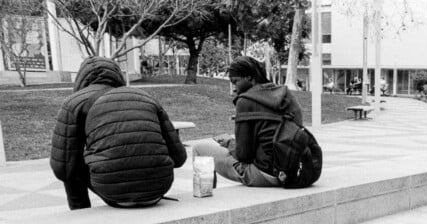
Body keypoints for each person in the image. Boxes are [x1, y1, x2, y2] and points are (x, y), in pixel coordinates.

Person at [50, 56, 187, 209]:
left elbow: (61, 170)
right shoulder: (145, 98)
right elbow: (179, 158)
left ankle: (81, 214)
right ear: (117, 74)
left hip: (113, 193)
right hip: (157, 189)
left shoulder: (74, 103)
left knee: (68, 162)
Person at [192, 56, 304, 187]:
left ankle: (205, 194)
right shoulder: (286, 94)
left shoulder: (245, 101)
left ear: (250, 77)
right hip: (294, 169)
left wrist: (230, 143)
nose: (234, 87)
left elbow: (244, 156)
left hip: (265, 173)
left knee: (199, 149)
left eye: (235, 81)